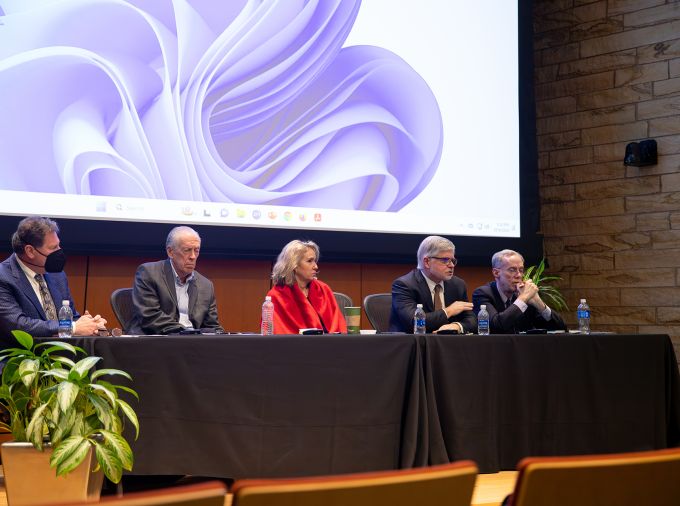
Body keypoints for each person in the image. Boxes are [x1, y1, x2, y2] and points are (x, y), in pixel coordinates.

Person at [0, 216, 105, 348]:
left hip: (61, 355)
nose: (59, 251)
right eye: (53, 247)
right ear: (30, 251)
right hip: (20, 359)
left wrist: (91, 324)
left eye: (58, 245)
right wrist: (72, 327)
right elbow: (19, 326)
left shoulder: (57, 275)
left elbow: (71, 316)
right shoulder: (3, 277)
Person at [128, 226, 223, 335]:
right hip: (157, 340)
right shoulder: (148, 273)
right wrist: (186, 333)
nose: (193, 256)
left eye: (196, 251)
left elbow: (212, 326)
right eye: (187, 250)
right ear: (170, 252)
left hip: (194, 344)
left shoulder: (206, 285)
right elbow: (150, 317)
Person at [389, 236, 476, 334]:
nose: (451, 265)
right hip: (413, 344)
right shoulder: (405, 285)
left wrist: (457, 326)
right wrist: (448, 311)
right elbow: (415, 322)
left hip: (448, 344)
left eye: (453, 260)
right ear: (427, 262)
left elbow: (472, 319)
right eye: (445, 260)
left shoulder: (457, 285)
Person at [472, 249, 567, 334]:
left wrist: (539, 304)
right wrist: (523, 299)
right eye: (512, 270)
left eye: (521, 270)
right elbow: (497, 326)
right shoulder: (483, 294)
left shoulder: (524, 294)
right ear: (496, 273)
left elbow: (560, 328)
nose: (518, 275)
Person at [266, 240, 347, 334]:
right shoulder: (277, 295)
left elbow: (338, 326)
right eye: (309, 261)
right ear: (294, 265)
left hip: (330, 345)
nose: (316, 266)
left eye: (315, 261)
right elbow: (278, 335)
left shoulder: (323, 289)